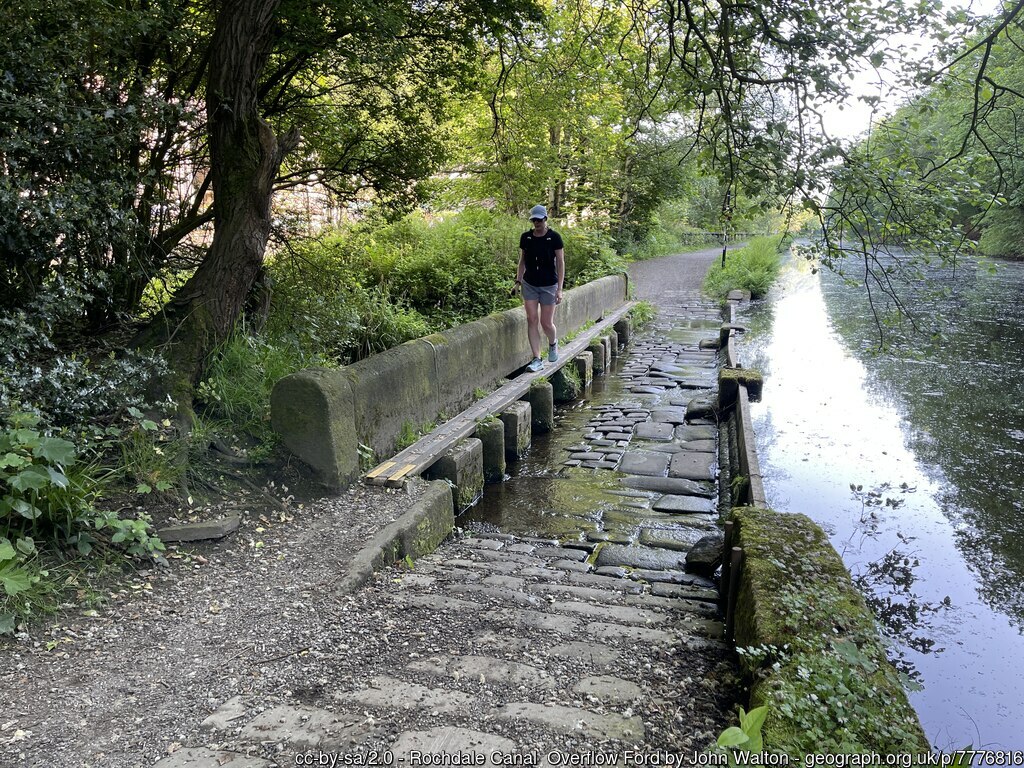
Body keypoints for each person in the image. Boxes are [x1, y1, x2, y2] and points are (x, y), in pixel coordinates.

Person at [515, 204, 565, 372]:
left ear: (545, 219)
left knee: (546, 323)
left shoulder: (554, 237)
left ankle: (552, 343)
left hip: (549, 285)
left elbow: (560, 263)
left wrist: (560, 289)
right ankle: (537, 358)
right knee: (531, 319)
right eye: (534, 220)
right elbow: (522, 261)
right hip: (530, 284)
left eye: (539, 220)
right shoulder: (526, 238)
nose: (536, 223)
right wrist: (518, 281)